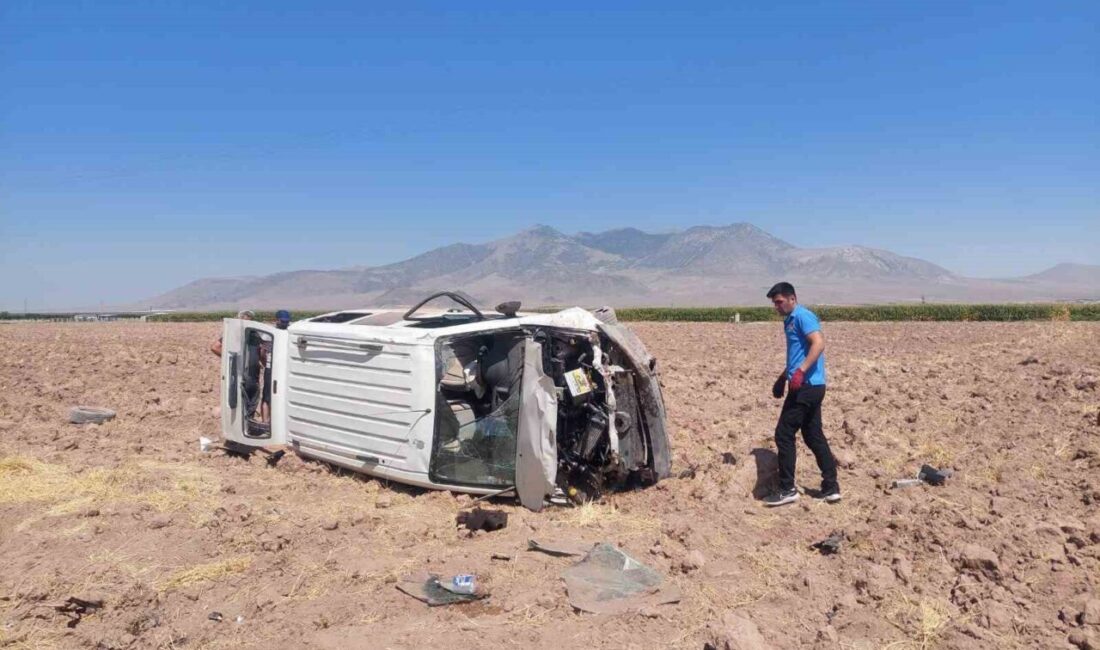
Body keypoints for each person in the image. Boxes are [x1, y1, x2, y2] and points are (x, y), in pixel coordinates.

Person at [763, 282, 841, 506]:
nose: (776, 307)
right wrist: (783, 377)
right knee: (813, 434)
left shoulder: (802, 316)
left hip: (806, 386)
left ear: (792, 299)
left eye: (779, 302)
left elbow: (818, 343)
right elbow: (798, 354)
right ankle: (831, 487)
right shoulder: (790, 320)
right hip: (809, 385)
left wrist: (800, 372)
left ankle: (787, 489)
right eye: (774, 303)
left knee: (784, 433)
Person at [259, 310, 291, 422]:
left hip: (284, 368)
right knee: (267, 396)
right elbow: (262, 353)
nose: (285, 324)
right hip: (271, 368)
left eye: (287, 322)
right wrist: (266, 364)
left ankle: (276, 421)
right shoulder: (269, 334)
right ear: (276, 320)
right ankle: (265, 422)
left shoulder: (289, 333)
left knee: (280, 395)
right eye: (283, 321)